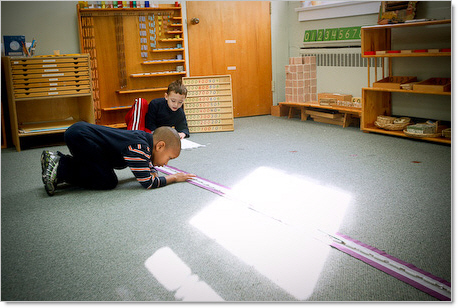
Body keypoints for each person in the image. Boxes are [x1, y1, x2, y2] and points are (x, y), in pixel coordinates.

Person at [41, 121, 195, 196]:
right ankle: (61, 166)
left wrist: (152, 169)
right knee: (107, 180)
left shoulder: (145, 142)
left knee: (98, 169)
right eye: (168, 158)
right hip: (83, 137)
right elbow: (148, 182)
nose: (166, 164)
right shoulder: (140, 148)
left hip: (81, 134)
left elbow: (147, 165)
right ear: (160, 146)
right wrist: (173, 178)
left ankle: (59, 162)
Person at [125, 79, 190, 139]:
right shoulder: (155, 104)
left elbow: (184, 128)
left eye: (180, 102)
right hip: (142, 124)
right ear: (166, 96)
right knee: (141, 102)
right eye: (173, 101)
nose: (176, 105)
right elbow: (149, 124)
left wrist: (182, 134)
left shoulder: (179, 111)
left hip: (158, 132)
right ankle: (133, 134)